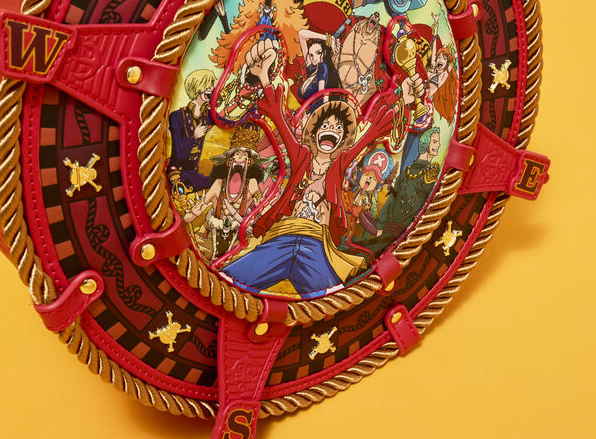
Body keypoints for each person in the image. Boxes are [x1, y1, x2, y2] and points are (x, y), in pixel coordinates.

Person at [222, 37, 424, 297]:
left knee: (333, 293)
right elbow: (279, 119)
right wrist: (263, 76)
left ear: (343, 138)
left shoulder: (340, 164)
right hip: (282, 237)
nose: (332, 130)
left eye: (339, 128)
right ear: (314, 132)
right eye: (326, 126)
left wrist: (402, 97)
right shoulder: (300, 156)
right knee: (237, 277)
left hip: (316, 244)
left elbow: (373, 131)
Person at [182, 124, 269, 260]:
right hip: (211, 239)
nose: (240, 157)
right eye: (237, 153)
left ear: (249, 162)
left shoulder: (252, 184)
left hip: (239, 242)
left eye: (245, 155)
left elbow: (262, 206)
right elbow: (194, 213)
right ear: (230, 160)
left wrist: (266, 208)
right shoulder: (218, 184)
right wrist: (190, 214)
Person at [376, 127, 442, 241]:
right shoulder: (406, 173)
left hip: (408, 235)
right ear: (425, 144)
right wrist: (380, 226)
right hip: (391, 229)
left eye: (438, 142)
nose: (439, 145)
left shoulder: (429, 176)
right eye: (435, 142)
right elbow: (392, 199)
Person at [167, 69, 215, 191]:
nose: (212, 88)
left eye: (212, 84)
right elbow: (179, 156)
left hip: (194, 175)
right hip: (177, 175)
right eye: (209, 84)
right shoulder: (176, 116)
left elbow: (227, 122)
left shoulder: (208, 115)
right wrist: (194, 137)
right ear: (197, 87)